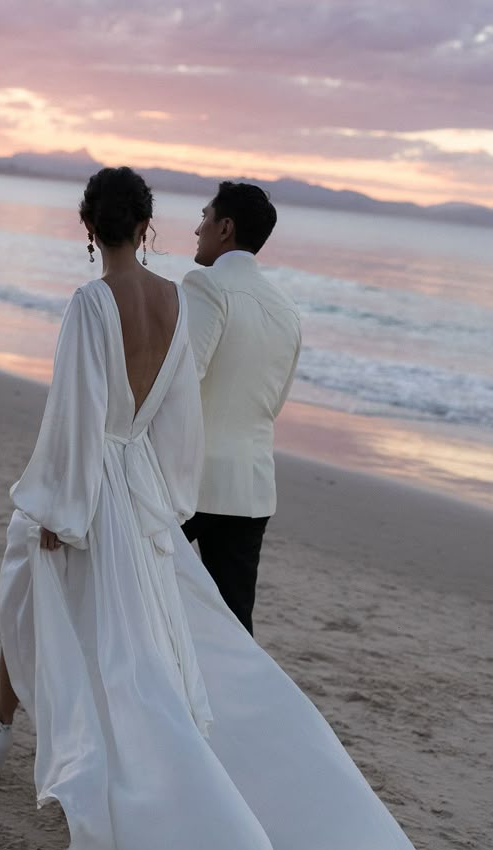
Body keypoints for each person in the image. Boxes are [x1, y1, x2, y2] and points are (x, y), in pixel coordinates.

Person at [0, 167, 493, 850]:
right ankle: (12, 732)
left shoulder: (88, 302)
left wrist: (61, 502)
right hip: (146, 489)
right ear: (145, 226)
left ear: (88, 226)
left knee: (49, 598)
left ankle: (16, 736)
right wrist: (163, 499)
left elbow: (69, 416)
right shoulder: (177, 307)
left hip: (92, 486)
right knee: (149, 644)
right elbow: (179, 417)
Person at [181, 182, 301, 634]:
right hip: (251, 486)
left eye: (205, 217)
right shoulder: (287, 309)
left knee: (129, 590)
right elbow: (275, 402)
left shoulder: (206, 285)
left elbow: (179, 383)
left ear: (225, 228)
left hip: (191, 480)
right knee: (234, 628)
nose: (198, 228)